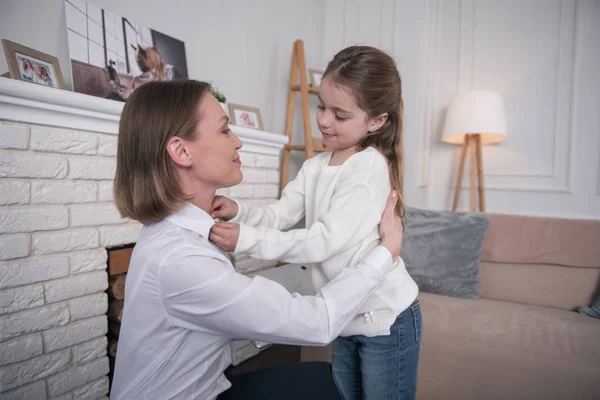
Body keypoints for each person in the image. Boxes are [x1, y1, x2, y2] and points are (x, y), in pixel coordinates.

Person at [109, 79, 405, 400]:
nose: (237, 142)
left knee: (321, 378)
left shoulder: (182, 229)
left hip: (208, 386)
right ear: (181, 150)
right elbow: (318, 323)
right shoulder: (182, 259)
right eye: (225, 130)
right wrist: (386, 251)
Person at [210, 46, 421, 400]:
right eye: (322, 106)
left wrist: (245, 239)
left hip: (386, 318)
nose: (323, 120)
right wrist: (239, 211)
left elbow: (323, 241)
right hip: (344, 313)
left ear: (377, 121)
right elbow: (280, 215)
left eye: (340, 115)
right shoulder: (315, 166)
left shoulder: (368, 168)